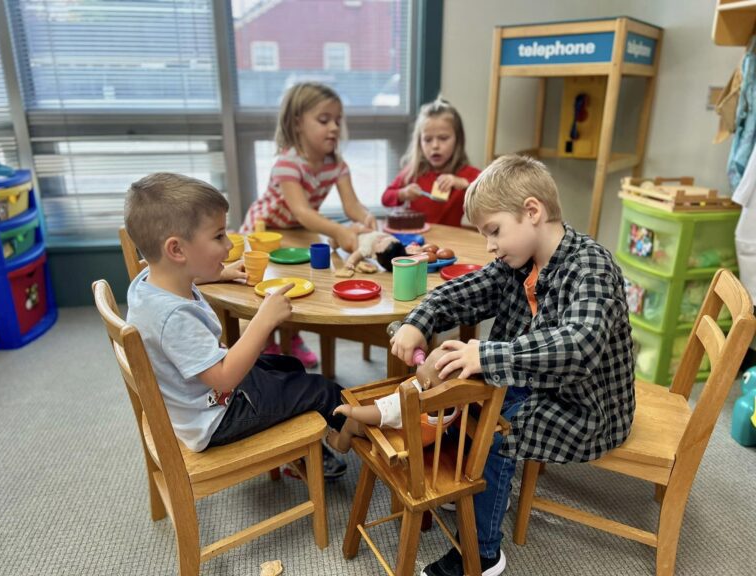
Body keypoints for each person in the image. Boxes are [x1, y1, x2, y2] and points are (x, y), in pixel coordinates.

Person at [390, 155, 635, 576]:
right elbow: (465, 291)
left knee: (496, 428)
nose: (490, 245)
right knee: (470, 392)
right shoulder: (516, 262)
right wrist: (419, 321)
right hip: (540, 383)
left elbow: (579, 346)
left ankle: (482, 554)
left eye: (494, 231)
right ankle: (471, 483)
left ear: (532, 212)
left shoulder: (591, 266)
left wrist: (484, 355)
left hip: (588, 407)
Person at [125, 172, 347, 478]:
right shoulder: (174, 318)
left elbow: (174, 276)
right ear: (176, 250)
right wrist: (263, 320)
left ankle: (302, 453)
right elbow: (224, 379)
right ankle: (372, 446)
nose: (229, 244)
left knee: (289, 367)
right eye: (218, 236)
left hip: (200, 403)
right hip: (216, 417)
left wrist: (216, 273)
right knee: (322, 390)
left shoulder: (149, 285)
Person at [240, 82, 376, 367]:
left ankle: (292, 336)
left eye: (338, 120)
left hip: (298, 234)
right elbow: (302, 211)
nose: (334, 128)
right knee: (268, 286)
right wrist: (339, 231)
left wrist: (365, 218)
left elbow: (351, 205)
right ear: (297, 123)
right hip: (265, 233)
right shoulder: (287, 163)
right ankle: (267, 341)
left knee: (299, 285)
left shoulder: (337, 165)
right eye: (324, 120)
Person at [327, 346, 461, 453]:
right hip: (426, 437)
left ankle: (341, 444)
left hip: (402, 441)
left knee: (352, 423)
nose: (421, 361)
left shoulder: (408, 401)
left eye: (425, 363)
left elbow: (378, 413)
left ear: (426, 383)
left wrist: (351, 411)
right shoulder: (457, 398)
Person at [381, 97, 481, 227]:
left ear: (458, 140)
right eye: (427, 140)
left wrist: (464, 184)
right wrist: (403, 193)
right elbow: (385, 198)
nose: (435, 146)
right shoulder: (413, 172)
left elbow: (491, 197)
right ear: (419, 142)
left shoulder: (467, 174)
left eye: (443, 138)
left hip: (451, 241)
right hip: (418, 241)